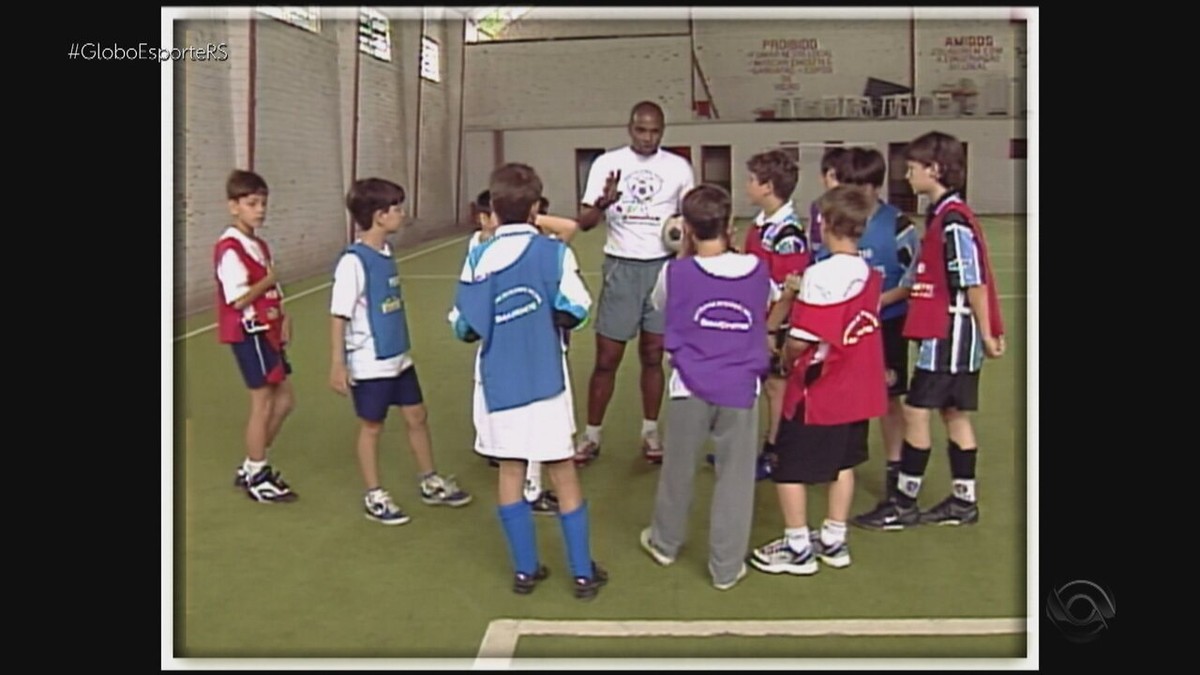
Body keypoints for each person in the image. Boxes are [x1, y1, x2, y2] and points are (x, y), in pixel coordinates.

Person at [451, 163, 608, 599]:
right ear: (537, 207)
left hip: (498, 385)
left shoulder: (478, 258)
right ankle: (581, 574)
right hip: (546, 381)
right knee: (563, 471)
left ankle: (525, 570)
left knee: (510, 470)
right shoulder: (554, 252)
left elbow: (462, 327)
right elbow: (577, 308)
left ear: (493, 210)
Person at [854, 131, 1006, 530]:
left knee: (915, 410)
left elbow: (972, 280)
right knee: (953, 414)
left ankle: (903, 502)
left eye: (913, 168)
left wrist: (988, 332)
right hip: (953, 333)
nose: (906, 175)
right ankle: (963, 500)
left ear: (935, 170)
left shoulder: (953, 221)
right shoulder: (944, 215)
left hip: (950, 334)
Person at [749, 185, 886, 576]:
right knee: (843, 464)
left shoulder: (819, 275)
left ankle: (797, 546)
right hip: (855, 388)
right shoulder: (868, 274)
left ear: (825, 224)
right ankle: (833, 538)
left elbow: (802, 340)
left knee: (788, 466)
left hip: (818, 389)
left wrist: (782, 354)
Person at [639, 184, 771, 590]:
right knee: (734, 477)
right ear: (730, 224)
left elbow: (662, 303)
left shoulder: (675, 272)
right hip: (740, 386)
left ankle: (665, 541)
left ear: (688, 229)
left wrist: (683, 255)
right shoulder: (757, 270)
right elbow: (768, 302)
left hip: (688, 385)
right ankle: (726, 566)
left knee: (679, 468)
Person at [330, 177, 472, 525]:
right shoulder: (353, 262)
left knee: (417, 416)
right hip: (370, 361)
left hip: (399, 357)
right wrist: (337, 363)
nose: (402, 214)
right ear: (379, 216)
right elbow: (338, 315)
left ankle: (429, 480)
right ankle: (374, 494)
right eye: (397, 208)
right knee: (372, 427)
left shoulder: (386, 252)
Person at [574, 100, 696, 465]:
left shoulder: (678, 168)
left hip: (663, 268)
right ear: (630, 128)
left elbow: (689, 222)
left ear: (662, 130)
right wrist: (602, 201)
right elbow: (584, 222)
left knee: (653, 355)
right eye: (641, 130)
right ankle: (591, 434)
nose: (647, 137)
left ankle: (649, 430)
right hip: (621, 269)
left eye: (655, 131)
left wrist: (684, 261)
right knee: (607, 358)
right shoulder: (607, 164)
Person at [829, 147, 922, 523]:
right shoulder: (835, 220)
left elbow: (912, 280)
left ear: (873, 186)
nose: (850, 192)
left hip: (887, 323)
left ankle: (895, 469)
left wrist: (876, 301)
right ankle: (840, 463)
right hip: (844, 327)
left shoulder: (899, 225)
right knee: (842, 392)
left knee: (889, 397)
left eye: (857, 185)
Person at [215, 169, 298, 503]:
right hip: (249, 332)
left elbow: (270, 288)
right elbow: (238, 298)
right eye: (251, 203)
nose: (260, 209)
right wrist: (268, 281)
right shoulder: (229, 247)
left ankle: (252, 464)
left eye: (263, 203)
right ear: (234, 206)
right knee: (262, 402)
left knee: (285, 400)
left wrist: (284, 314)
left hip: (268, 329)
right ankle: (258, 474)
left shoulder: (258, 244)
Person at [738, 149, 811, 479]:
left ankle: (775, 451)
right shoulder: (761, 225)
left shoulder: (788, 235)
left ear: (767, 186)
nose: (747, 185)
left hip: (774, 324)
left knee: (776, 388)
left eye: (752, 180)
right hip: (757, 319)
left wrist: (769, 330)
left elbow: (789, 290)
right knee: (763, 386)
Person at [807, 147, 851, 262]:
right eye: (833, 177)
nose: (838, 183)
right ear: (823, 178)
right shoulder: (816, 207)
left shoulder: (854, 209)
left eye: (842, 177)